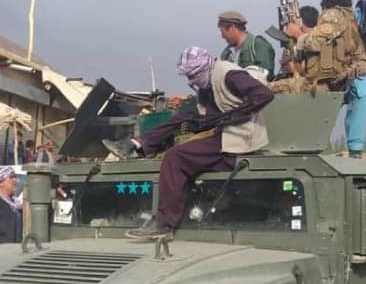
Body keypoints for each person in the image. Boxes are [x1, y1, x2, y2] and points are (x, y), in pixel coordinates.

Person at [103, 47, 274, 237]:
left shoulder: (229, 74)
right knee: (182, 118)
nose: (192, 81)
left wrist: (232, 116)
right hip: (224, 135)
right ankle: (136, 145)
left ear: (204, 68)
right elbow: (198, 113)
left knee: (174, 158)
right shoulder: (208, 83)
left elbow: (264, 95)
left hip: (238, 137)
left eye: (193, 75)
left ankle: (164, 223)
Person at [284, 0, 366, 158]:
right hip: (348, 79)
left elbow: (315, 43)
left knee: (275, 91)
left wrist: (297, 33)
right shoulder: (351, 22)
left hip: (336, 82)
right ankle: (354, 150)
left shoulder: (334, 15)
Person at [218, 11, 275, 80]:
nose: (222, 36)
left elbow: (265, 75)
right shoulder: (226, 53)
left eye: (223, 32)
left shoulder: (259, 45)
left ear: (232, 28)